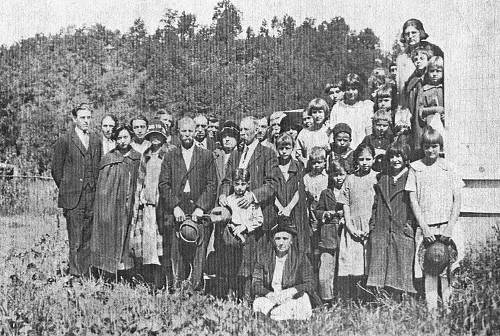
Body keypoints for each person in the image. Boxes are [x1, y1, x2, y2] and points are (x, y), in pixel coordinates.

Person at [405, 127, 464, 312]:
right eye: (427, 146)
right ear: (422, 147)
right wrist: (425, 228)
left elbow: (457, 200)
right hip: (427, 228)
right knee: (429, 268)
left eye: (435, 146)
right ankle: (432, 312)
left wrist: (449, 227)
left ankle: (449, 308)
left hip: (448, 227)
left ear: (440, 147)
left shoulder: (449, 167)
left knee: (448, 268)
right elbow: (413, 200)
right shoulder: (416, 168)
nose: (431, 151)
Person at [219, 116, 278, 295]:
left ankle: (251, 297)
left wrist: (253, 196)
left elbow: (273, 183)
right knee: (233, 257)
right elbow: (228, 179)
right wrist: (223, 193)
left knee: (253, 259)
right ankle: (233, 295)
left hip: (255, 217)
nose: (242, 134)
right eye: (241, 131)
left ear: (256, 131)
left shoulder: (267, 153)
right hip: (235, 215)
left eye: (246, 130)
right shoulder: (237, 153)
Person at [158, 117, 217, 290]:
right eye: (183, 131)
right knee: (177, 251)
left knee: (198, 251)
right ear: (178, 133)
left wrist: (201, 207)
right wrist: (174, 207)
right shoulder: (170, 155)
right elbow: (164, 184)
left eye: (190, 131)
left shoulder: (206, 155)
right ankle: (177, 287)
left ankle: (195, 288)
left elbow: (212, 184)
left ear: (195, 132)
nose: (187, 134)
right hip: (178, 210)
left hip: (198, 209)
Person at [51, 103, 102, 277]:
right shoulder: (65, 140)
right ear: (74, 119)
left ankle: (86, 273)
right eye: (82, 118)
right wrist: (68, 188)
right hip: (73, 198)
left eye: (89, 117)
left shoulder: (96, 139)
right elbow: (56, 170)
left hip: (92, 195)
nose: (86, 121)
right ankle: (75, 275)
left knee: (88, 236)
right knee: (75, 238)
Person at [367, 141, 416, 298]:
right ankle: (381, 299)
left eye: (399, 156)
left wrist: (410, 224)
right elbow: (375, 204)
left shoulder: (411, 176)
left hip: (401, 226)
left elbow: (416, 203)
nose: (395, 160)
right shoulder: (383, 178)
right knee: (380, 264)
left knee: (400, 262)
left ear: (405, 157)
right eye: (392, 156)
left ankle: (402, 298)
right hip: (382, 227)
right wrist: (373, 225)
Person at [91, 124, 141, 277]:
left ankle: (130, 273)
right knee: (110, 237)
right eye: (119, 137)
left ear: (131, 138)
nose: (122, 141)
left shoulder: (138, 158)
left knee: (128, 238)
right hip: (113, 207)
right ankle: (108, 273)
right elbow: (102, 189)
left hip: (131, 205)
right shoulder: (109, 158)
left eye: (125, 137)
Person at [252, 217, 321, 320]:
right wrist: (269, 294)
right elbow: (256, 284)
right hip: (273, 298)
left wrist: (291, 291)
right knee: (258, 302)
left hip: (293, 298)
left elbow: (310, 283)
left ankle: (275, 315)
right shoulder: (264, 258)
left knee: (303, 300)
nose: (281, 243)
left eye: (285, 239)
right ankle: (279, 315)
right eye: (277, 238)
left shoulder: (300, 257)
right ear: (273, 240)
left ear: (291, 241)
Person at [130, 121, 170, 289]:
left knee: (162, 245)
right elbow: (140, 180)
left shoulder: (169, 154)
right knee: (149, 245)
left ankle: (164, 282)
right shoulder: (145, 155)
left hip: (163, 205)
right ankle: (149, 281)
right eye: (152, 136)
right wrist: (139, 199)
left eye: (158, 136)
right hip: (147, 206)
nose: (155, 139)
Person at [336, 143, 377, 302]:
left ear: (373, 159)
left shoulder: (376, 178)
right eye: (361, 159)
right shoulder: (350, 179)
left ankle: (368, 300)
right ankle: (351, 300)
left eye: (368, 159)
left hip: (369, 228)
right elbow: (345, 203)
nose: (365, 162)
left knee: (367, 263)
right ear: (356, 161)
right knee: (352, 265)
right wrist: (350, 226)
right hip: (353, 228)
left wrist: (370, 227)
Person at [221, 168, 264, 298]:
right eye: (237, 184)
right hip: (231, 237)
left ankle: (246, 298)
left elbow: (259, 219)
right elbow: (222, 216)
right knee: (231, 268)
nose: (239, 187)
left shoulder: (251, 201)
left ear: (248, 184)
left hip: (247, 238)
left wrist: (245, 226)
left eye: (243, 184)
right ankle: (231, 297)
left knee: (246, 269)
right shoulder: (228, 200)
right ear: (233, 184)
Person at [315, 160, 347, 305]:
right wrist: (324, 214)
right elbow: (318, 211)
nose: (339, 178)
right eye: (335, 175)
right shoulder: (326, 193)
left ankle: (342, 299)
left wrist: (344, 215)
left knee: (343, 271)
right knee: (325, 272)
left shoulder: (349, 190)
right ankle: (327, 300)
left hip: (345, 235)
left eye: (342, 174)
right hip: (328, 236)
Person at [273, 133, 310, 254]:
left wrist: (288, 208)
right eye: (281, 148)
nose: (284, 151)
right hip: (277, 209)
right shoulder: (272, 166)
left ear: (293, 148)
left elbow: (300, 190)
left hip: (295, 210)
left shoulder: (298, 166)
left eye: (287, 148)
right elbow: (270, 189)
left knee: (297, 242)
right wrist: (280, 207)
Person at [396, 18, 443, 99]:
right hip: (411, 95)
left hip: (432, 94)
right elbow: (401, 84)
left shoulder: (433, 50)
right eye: (407, 34)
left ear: (420, 33)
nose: (410, 36)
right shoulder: (402, 57)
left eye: (413, 33)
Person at [405, 45, 435, 159]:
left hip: (429, 114)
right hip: (416, 117)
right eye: (415, 59)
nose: (418, 61)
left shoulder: (431, 78)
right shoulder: (413, 80)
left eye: (421, 58)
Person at [330, 73, 374, 148]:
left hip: (361, 148)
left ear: (359, 89)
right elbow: (332, 130)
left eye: (354, 89)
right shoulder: (337, 107)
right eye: (348, 89)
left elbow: (369, 131)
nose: (350, 92)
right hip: (342, 148)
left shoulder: (366, 107)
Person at [303, 146, 329, 264]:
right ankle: (314, 260)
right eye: (314, 163)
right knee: (314, 234)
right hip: (312, 210)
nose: (317, 165)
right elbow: (306, 196)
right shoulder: (307, 177)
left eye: (320, 162)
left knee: (323, 234)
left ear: (324, 162)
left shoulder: (327, 178)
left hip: (324, 210)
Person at [417, 56, 445, 139]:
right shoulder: (424, 90)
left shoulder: (445, 88)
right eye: (432, 71)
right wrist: (435, 109)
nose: (435, 74)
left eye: (438, 71)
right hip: (430, 125)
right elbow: (420, 110)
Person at [296, 98, 330, 167]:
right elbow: (298, 153)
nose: (317, 116)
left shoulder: (328, 131)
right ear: (310, 114)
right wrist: (304, 161)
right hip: (310, 169)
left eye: (320, 112)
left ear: (325, 113)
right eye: (314, 112)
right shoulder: (304, 133)